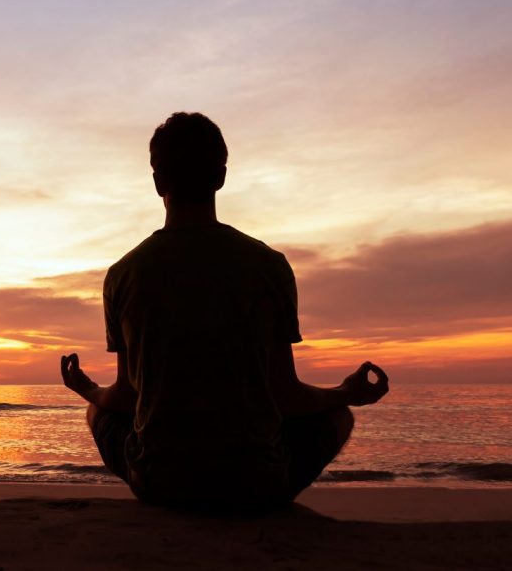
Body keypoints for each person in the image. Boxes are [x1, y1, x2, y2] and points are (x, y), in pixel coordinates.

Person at [60, 112, 389, 512]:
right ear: (221, 176)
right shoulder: (269, 266)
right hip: (256, 485)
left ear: (158, 181)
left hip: (161, 485)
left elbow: (128, 397)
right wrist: (345, 393)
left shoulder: (123, 275)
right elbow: (285, 396)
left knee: (98, 411)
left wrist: (86, 390)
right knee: (339, 417)